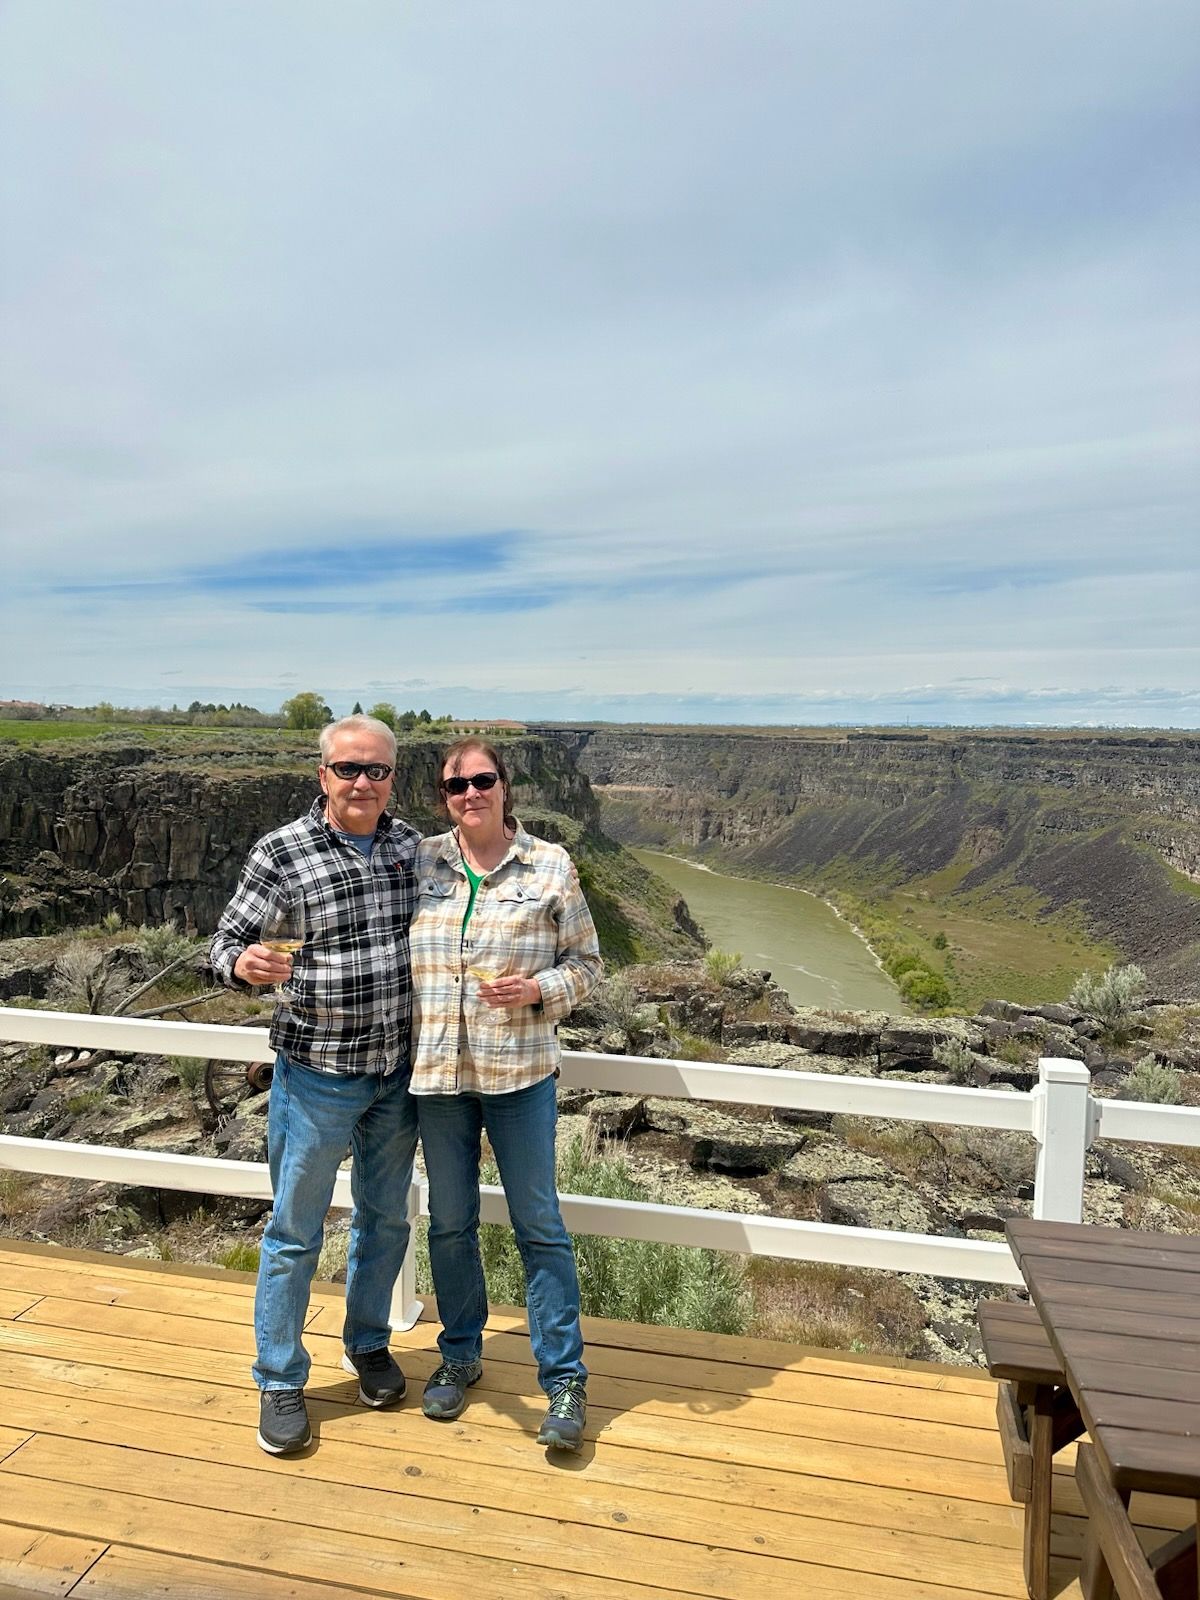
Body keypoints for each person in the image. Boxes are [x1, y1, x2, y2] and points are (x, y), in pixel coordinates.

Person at [209, 714, 420, 1456]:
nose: (362, 782)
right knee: (296, 1234)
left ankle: (366, 1344)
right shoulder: (282, 850)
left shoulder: (408, 846)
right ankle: (279, 1379)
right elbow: (226, 940)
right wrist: (239, 967)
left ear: (395, 776)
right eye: (348, 769)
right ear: (321, 774)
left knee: (386, 1221)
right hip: (317, 1075)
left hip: (398, 1073)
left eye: (377, 770)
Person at [409, 737, 602, 1451]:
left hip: (520, 1075)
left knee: (539, 1225)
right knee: (450, 1222)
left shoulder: (551, 865)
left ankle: (564, 1380)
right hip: (438, 1077)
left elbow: (587, 965)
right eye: (455, 785)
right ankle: (460, 1354)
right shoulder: (420, 862)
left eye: (482, 780)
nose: (470, 794)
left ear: (505, 786)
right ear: (443, 797)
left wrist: (539, 990)